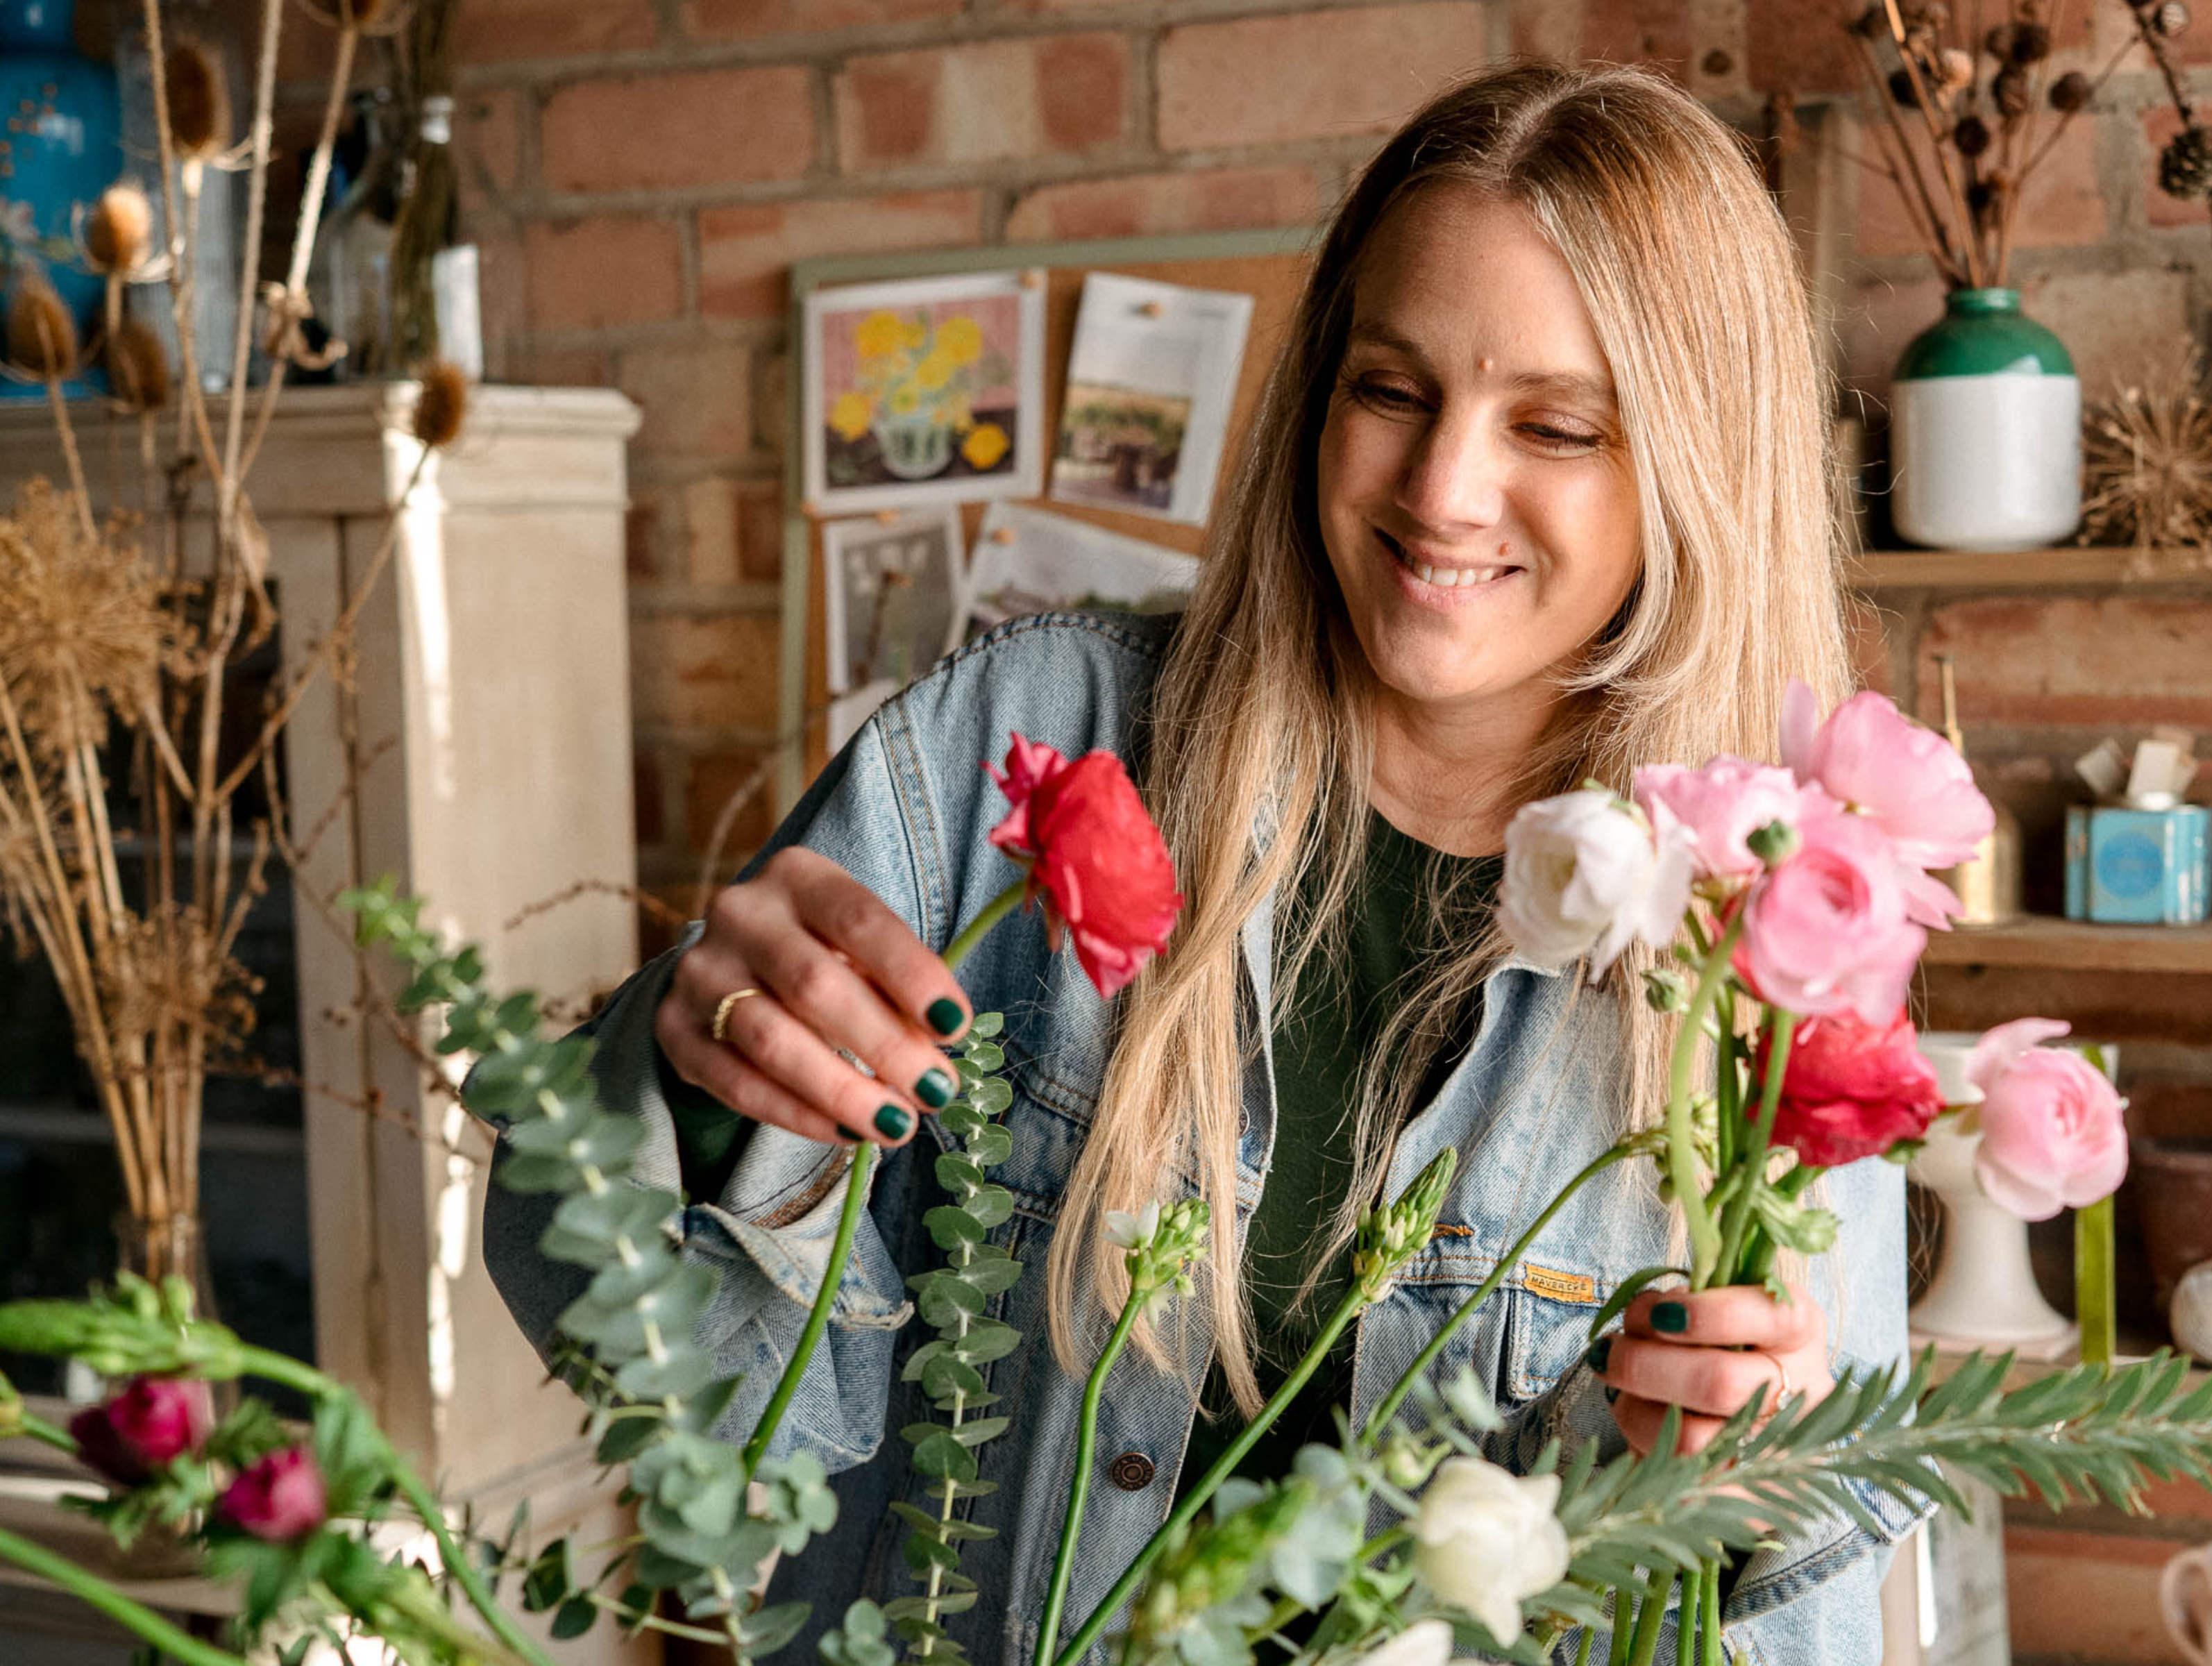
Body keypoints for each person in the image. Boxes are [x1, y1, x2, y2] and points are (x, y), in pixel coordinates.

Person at [481, 60, 1914, 1665]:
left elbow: (1815, 1612)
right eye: (1389, 390)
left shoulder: (1772, 939)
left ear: (1694, 472)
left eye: (1556, 426)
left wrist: (1748, 1492)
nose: (1440, 491)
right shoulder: (1031, 741)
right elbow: (670, 1377)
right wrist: (693, 1074)